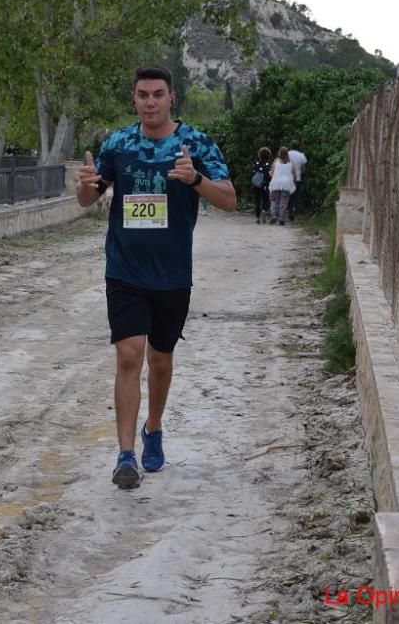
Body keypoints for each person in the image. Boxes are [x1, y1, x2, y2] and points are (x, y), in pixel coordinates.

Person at [76, 65, 237, 489]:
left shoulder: (196, 142)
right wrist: (88, 185)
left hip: (172, 273)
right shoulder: (118, 142)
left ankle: (154, 426)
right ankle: (125, 455)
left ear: (171, 98)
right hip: (124, 268)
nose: (150, 102)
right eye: (143, 95)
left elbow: (230, 200)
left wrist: (196, 178)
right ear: (134, 98)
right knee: (129, 354)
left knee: (160, 359)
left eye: (158, 94)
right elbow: (87, 198)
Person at [268, 146, 296, 225]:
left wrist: (270, 173)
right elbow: (293, 175)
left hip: (276, 183)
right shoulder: (290, 163)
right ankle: (281, 218)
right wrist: (293, 182)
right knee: (284, 201)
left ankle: (274, 216)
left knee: (274, 200)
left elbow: (271, 173)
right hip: (286, 184)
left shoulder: (276, 161)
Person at [287, 140, 308, 222]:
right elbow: (303, 169)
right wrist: (299, 173)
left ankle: (289, 210)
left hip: (287, 178)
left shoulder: (287, 154)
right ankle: (293, 210)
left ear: (290, 146)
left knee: (288, 195)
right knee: (295, 196)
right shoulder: (301, 155)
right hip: (298, 179)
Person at [251, 147, 272, 223]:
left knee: (257, 200)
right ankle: (264, 210)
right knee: (265, 199)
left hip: (256, 184)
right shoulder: (269, 164)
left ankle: (257, 217)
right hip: (265, 185)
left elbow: (253, 173)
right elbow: (270, 175)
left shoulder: (256, 163)